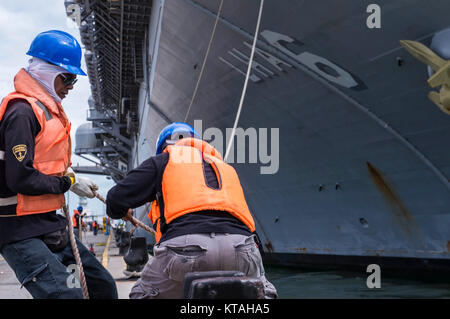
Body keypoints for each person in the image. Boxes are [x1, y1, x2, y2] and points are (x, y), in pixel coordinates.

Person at [0, 30, 117, 299]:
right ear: (45, 71)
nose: (71, 86)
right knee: (66, 296)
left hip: (48, 222)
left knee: (103, 287)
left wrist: (68, 175)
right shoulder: (22, 112)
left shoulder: (46, 111)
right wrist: (66, 183)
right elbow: (20, 178)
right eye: (67, 78)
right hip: (18, 229)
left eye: (73, 80)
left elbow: (43, 163)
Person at [106, 122, 277, 299]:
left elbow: (114, 199)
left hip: (187, 250)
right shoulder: (225, 167)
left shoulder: (163, 160)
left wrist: (121, 212)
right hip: (243, 249)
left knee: (141, 293)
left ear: (164, 147)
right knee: (264, 293)